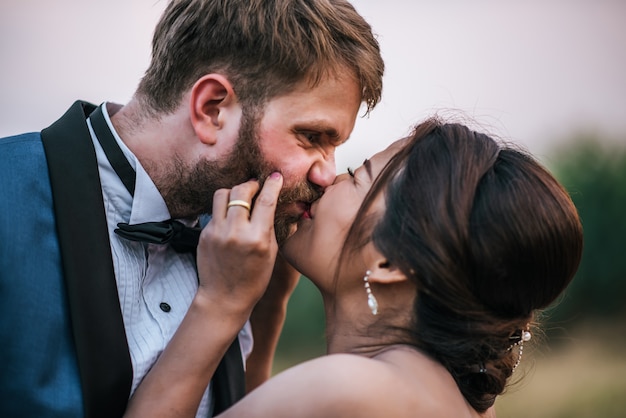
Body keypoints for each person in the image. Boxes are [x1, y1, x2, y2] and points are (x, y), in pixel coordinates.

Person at [0, 1, 384, 417]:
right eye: (311, 137)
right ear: (212, 108)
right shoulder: (8, 194)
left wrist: (267, 307)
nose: (326, 175)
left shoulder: (246, 243)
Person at [124, 117, 584, 417]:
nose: (329, 177)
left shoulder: (352, 389)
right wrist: (268, 311)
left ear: (389, 261)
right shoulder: (466, 402)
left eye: (359, 174)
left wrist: (220, 302)